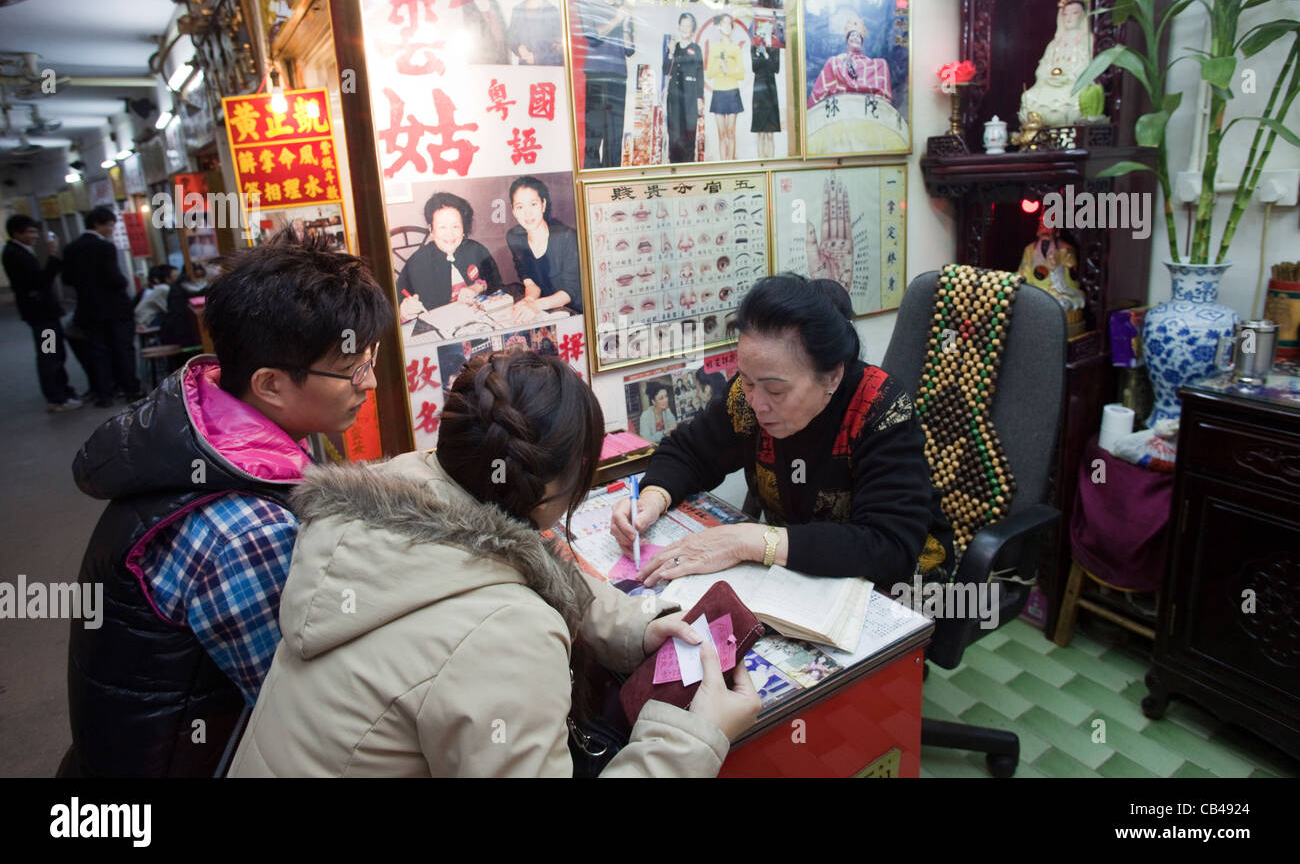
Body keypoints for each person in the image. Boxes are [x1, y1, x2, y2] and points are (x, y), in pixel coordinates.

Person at [229, 349, 758, 776]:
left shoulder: (395, 497)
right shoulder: (505, 637)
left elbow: (526, 557)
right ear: (553, 490)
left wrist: (636, 629)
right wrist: (690, 740)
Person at [58, 235, 393, 777]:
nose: (370, 383)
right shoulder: (242, 529)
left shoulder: (209, 430)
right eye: (353, 369)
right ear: (270, 384)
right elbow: (304, 709)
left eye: (371, 359)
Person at [611, 274, 953, 589]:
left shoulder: (879, 407)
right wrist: (650, 501)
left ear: (832, 376)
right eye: (746, 380)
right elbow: (689, 451)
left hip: (899, 589)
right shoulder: (747, 397)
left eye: (775, 391)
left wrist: (747, 540)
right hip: (800, 574)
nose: (757, 403)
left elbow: (888, 547)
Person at [60, 206, 142, 407]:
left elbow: (67, 279)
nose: (111, 230)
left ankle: (105, 394)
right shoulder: (104, 247)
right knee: (122, 349)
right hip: (115, 309)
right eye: (110, 226)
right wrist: (122, 283)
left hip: (88, 311)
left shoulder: (71, 248)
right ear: (98, 224)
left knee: (98, 352)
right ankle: (130, 389)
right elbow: (114, 279)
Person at [3, 214, 80, 411]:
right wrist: (53, 255)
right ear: (17, 233)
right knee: (50, 354)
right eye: (30, 232)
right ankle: (57, 397)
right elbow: (41, 281)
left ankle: (61, 392)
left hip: (43, 314)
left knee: (53, 353)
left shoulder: (19, 251)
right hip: (41, 315)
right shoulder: (15, 254)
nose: (35, 236)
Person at [397, 192, 502, 321]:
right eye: (442, 227)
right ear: (431, 229)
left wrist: (477, 286)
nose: (450, 234)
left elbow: (495, 282)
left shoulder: (476, 250)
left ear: (463, 228)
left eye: (456, 226)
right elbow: (397, 305)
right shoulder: (417, 263)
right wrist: (404, 311)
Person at [504, 175, 583, 323]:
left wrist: (535, 305)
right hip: (546, 311)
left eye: (533, 204)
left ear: (543, 204)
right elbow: (530, 282)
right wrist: (527, 300)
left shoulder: (566, 237)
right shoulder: (514, 237)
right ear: (513, 211)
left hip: (576, 311)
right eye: (520, 207)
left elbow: (570, 292)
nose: (527, 213)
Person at [580, 0, 636, 168]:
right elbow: (593, 37)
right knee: (594, 135)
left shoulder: (622, 8)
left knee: (614, 136)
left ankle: (613, 183)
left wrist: (627, 23)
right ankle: (591, 183)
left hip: (618, 75)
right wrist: (617, 18)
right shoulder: (588, 3)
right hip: (596, 75)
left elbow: (630, 49)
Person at [1018, 0, 1093, 129]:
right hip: (1050, 84)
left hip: (1072, 85)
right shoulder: (1054, 44)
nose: (1069, 18)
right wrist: (1049, 76)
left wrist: (1068, 76)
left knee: (1077, 101)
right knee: (1028, 97)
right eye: (1065, 14)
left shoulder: (1087, 40)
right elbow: (1043, 67)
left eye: (1074, 13)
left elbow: (1087, 67)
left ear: (1083, 15)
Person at [807, 18, 893, 108]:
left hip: (865, 78)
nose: (855, 37)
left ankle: (879, 96)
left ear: (861, 43)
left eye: (858, 36)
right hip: (845, 78)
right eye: (852, 35)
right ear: (847, 42)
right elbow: (836, 63)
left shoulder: (868, 62)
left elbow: (873, 66)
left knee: (882, 63)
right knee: (832, 61)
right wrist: (842, 59)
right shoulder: (840, 59)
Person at [663, 12, 704, 163]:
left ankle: (689, 173)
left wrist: (700, 98)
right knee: (674, 137)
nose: (685, 28)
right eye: (683, 25)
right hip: (674, 98)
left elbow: (700, 75)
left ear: (693, 30)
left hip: (691, 99)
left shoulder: (696, 49)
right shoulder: (674, 47)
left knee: (688, 137)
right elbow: (665, 71)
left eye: (689, 26)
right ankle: (674, 171)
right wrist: (671, 53)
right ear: (679, 27)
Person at [508, 0, 564, 66]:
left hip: (548, 74)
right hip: (524, 72)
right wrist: (518, 48)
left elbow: (561, 49)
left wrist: (537, 58)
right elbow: (511, 38)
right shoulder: (517, 10)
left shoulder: (552, 11)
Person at [705, 13, 744, 161]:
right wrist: (720, 68)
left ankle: (731, 164)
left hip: (732, 92)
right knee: (721, 134)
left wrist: (729, 71)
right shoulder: (715, 48)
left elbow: (741, 74)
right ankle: (723, 164)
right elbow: (709, 73)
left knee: (730, 133)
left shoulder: (735, 49)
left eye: (729, 23)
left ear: (732, 28)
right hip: (718, 93)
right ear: (719, 26)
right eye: (724, 23)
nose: (727, 26)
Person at [750, 29, 781, 159]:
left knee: (770, 134)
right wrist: (759, 52)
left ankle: (771, 161)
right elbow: (754, 68)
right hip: (758, 91)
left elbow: (775, 68)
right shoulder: (754, 47)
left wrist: (767, 55)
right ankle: (761, 161)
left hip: (771, 90)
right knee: (760, 133)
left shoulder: (775, 46)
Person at [134, 264, 176, 329]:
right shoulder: (164, 289)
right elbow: (169, 309)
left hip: (145, 320)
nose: (177, 279)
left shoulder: (159, 288)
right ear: (167, 279)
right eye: (175, 276)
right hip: (146, 321)